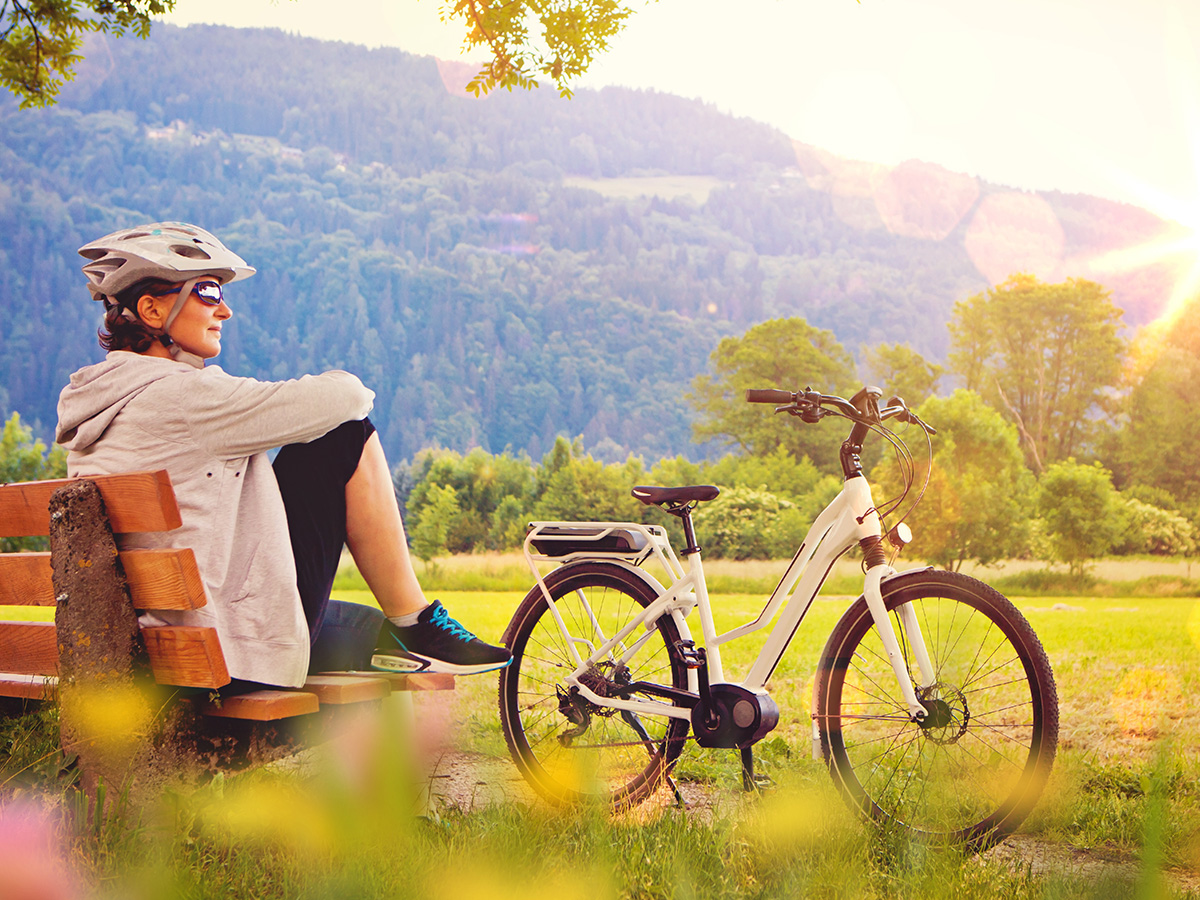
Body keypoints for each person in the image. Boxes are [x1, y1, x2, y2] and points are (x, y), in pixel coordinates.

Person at [55, 222, 510, 694]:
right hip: (218, 655)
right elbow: (349, 395)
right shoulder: (187, 398)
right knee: (341, 435)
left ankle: (403, 634)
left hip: (152, 645)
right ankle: (416, 622)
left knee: (366, 629)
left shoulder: (97, 403)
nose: (225, 311)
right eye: (208, 292)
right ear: (151, 309)